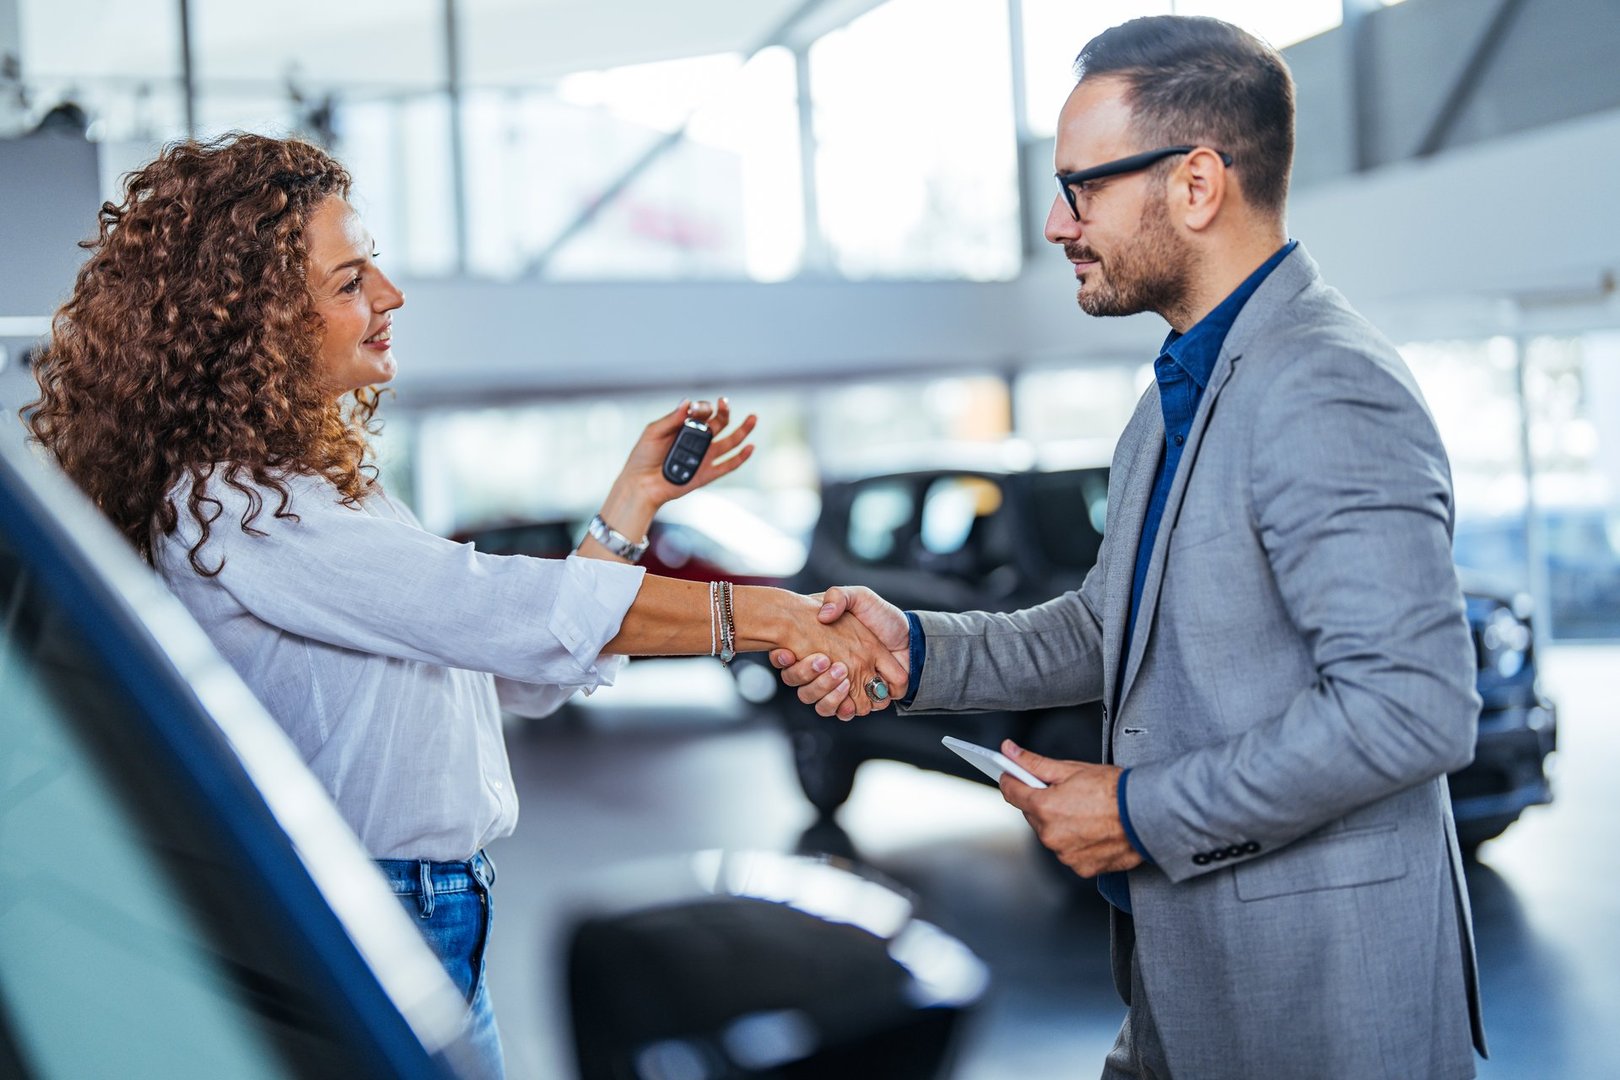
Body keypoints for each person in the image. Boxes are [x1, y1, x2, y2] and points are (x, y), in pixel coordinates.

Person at [23, 132, 904, 1079]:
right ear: (256, 319)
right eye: (351, 280)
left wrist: (627, 512)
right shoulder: (235, 507)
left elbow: (506, 667)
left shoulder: (312, 494)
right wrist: (770, 616)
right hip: (375, 904)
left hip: (432, 907)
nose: (390, 297)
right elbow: (487, 608)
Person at [776, 15, 1485, 1080]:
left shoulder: (1326, 382)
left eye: (1082, 188)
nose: (1060, 226)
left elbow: (1411, 706)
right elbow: (1110, 620)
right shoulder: (1177, 393)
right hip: (1184, 986)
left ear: (1197, 184)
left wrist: (1137, 814)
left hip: (1323, 1009)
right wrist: (913, 649)